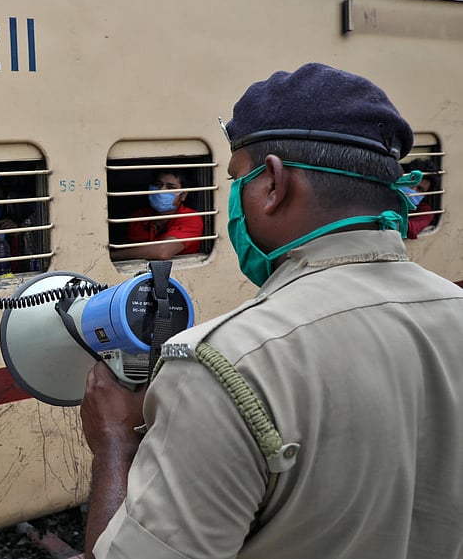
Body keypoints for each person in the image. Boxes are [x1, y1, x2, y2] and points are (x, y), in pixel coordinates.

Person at [81, 63, 463, 559]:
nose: (233, 198)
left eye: (237, 179)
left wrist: (114, 444)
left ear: (274, 185)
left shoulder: (226, 367)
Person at [109, 170, 203, 260]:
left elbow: (163, 252)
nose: (161, 190)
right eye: (158, 185)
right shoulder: (139, 216)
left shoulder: (191, 218)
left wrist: (114, 256)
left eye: (170, 187)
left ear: (183, 195)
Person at [402, 158, 440, 238]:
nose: (412, 191)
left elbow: (411, 229)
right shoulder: (385, 196)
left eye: (420, 189)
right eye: (410, 184)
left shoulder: (425, 212)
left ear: (425, 195)